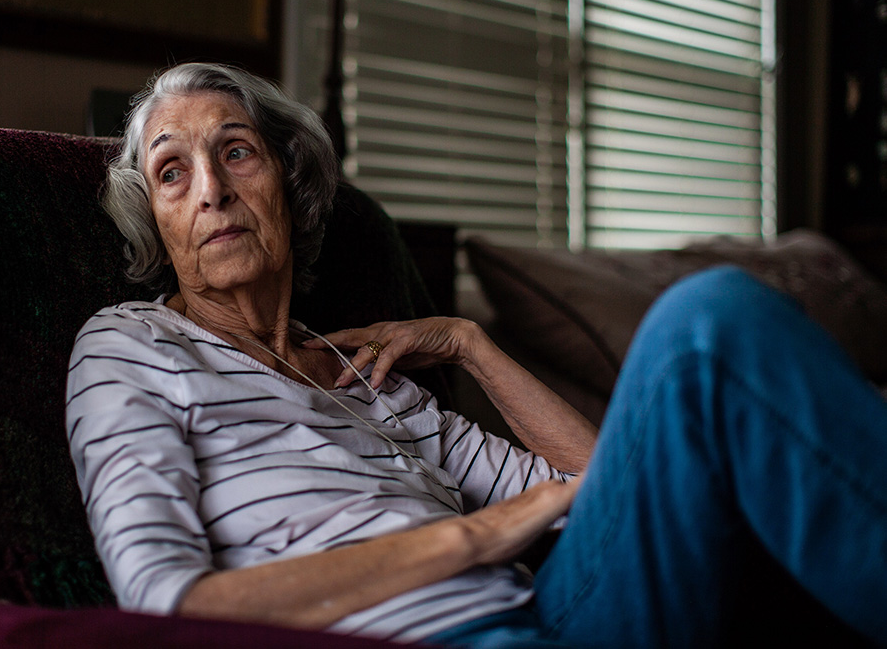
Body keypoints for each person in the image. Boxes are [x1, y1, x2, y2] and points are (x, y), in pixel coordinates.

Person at [66, 63, 887, 648]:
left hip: (554, 613)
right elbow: (170, 604)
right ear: (156, 222)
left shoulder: (374, 378)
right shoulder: (129, 346)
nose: (210, 188)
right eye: (172, 173)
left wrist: (469, 342)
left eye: (236, 151)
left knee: (710, 316)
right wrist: (477, 536)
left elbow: (610, 493)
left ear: (288, 181)